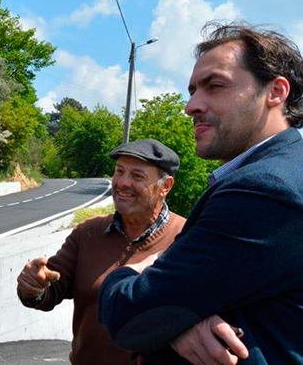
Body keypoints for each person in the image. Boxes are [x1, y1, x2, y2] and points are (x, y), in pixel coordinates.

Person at [99, 22, 303, 365]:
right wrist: (177, 322)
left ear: (275, 92)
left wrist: (139, 269)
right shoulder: (284, 171)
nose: (191, 105)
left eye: (215, 86)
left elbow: (128, 314)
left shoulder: (263, 189)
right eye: (193, 90)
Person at [17, 139, 185, 365]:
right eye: (119, 172)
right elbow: (50, 289)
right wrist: (33, 287)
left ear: (166, 186)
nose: (123, 182)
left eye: (137, 176)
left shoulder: (186, 238)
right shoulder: (87, 233)